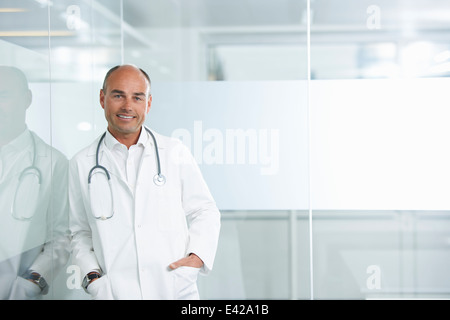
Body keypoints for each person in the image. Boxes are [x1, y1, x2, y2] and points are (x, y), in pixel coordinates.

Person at [69, 64, 221, 299]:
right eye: (118, 95)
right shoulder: (82, 163)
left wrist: (196, 258)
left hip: (173, 288)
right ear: (102, 98)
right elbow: (79, 232)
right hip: (115, 292)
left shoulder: (173, 151)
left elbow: (205, 210)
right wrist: (92, 278)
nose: (128, 106)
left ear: (148, 103)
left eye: (137, 97)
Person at [0, 66, 70, 299]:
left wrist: (33, 280)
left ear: (27, 99)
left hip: (15, 290)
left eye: (4, 95)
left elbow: (61, 237)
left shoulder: (52, 162)